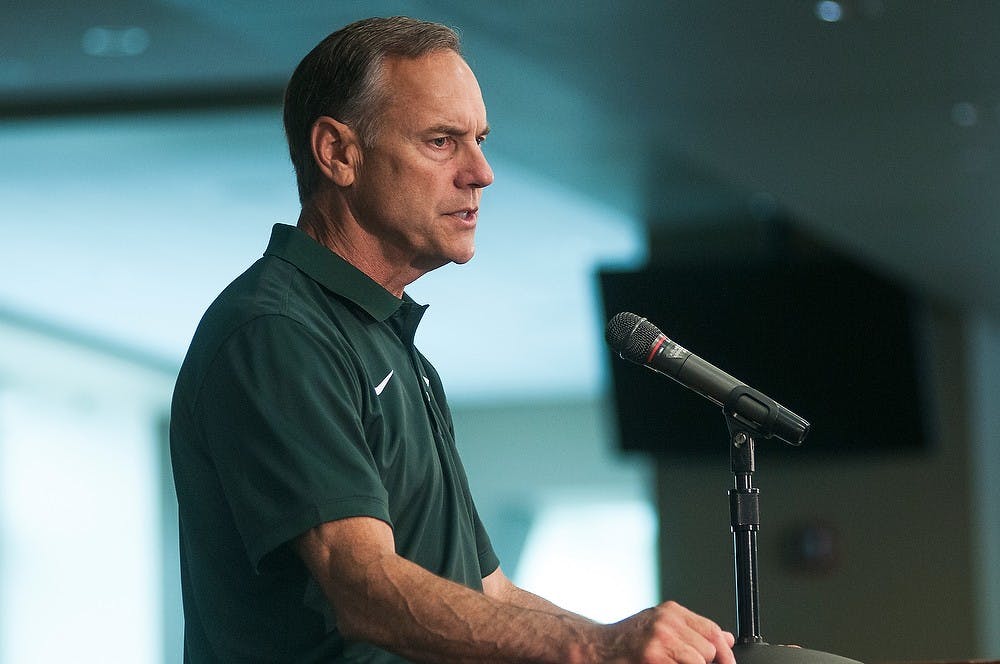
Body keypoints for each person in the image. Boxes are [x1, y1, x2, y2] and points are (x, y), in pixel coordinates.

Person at [169, 15, 737, 664]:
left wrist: (634, 648)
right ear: (338, 154)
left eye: (480, 140)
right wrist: (596, 648)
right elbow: (363, 587)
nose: (482, 172)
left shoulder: (395, 346)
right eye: (442, 142)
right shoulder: (277, 333)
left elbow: (487, 590)